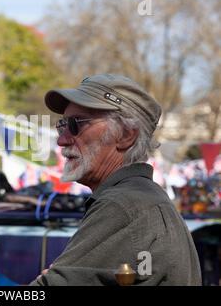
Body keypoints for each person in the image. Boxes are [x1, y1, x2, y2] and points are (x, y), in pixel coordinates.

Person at [30, 74, 201, 286]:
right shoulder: (143, 199)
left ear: (126, 135)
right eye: (62, 125)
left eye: (75, 124)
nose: (62, 139)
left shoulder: (122, 205)